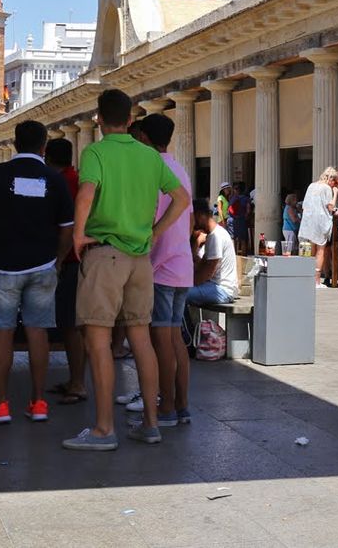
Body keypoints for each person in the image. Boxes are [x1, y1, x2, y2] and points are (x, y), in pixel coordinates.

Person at [63, 89, 190, 452]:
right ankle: (151, 422)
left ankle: (104, 429)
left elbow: (87, 193)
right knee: (141, 339)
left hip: (105, 254)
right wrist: (154, 233)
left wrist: (77, 235)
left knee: (98, 340)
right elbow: (181, 200)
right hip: (139, 259)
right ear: (131, 120)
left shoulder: (97, 152)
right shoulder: (151, 156)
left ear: (99, 119)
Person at [0, 120, 74, 424]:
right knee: (37, 331)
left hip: (5, 267)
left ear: (14, 143)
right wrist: (59, 258)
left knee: (2, 332)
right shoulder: (54, 179)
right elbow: (67, 228)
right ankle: (38, 402)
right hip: (43, 266)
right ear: (44, 146)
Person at [138, 114, 194, 427]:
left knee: (161, 339)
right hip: (181, 263)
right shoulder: (180, 168)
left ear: (144, 137)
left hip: (160, 266)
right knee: (174, 339)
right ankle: (181, 404)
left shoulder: (153, 169)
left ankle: (167, 406)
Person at [43, 138, 87, 406]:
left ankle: (79, 383)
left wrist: (58, 260)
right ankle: (74, 379)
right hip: (74, 258)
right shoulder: (74, 178)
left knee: (71, 326)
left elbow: (67, 225)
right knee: (71, 325)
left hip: (70, 259)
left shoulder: (64, 182)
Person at [188, 198, 239, 306]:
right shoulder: (212, 235)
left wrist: (185, 284)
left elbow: (206, 273)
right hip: (214, 286)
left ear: (201, 215)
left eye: (192, 217)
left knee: (181, 294)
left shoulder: (216, 236)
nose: (191, 222)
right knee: (179, 292)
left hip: (223, 289)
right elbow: (201, 266)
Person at [298, 167, 338, 287]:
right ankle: (316, 281)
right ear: (331, 179)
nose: (335, 185)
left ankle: (306, 279)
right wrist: (335, 194)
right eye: (334, 182)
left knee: (309, 250)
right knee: (320, 250)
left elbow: (304, 205)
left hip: (308, 221)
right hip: (321, 222)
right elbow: (330, 207)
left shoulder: (311, 186)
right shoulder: (327, 188)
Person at [229, 182, 251, 254]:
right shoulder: (246, 198)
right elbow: (248, 210)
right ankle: (243, 253)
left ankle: (234, 254)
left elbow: (229, 209)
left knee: (235, 238)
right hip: (242, 220)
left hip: (235, 219)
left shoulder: (232, 198)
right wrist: (246, 217)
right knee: (243, 239)